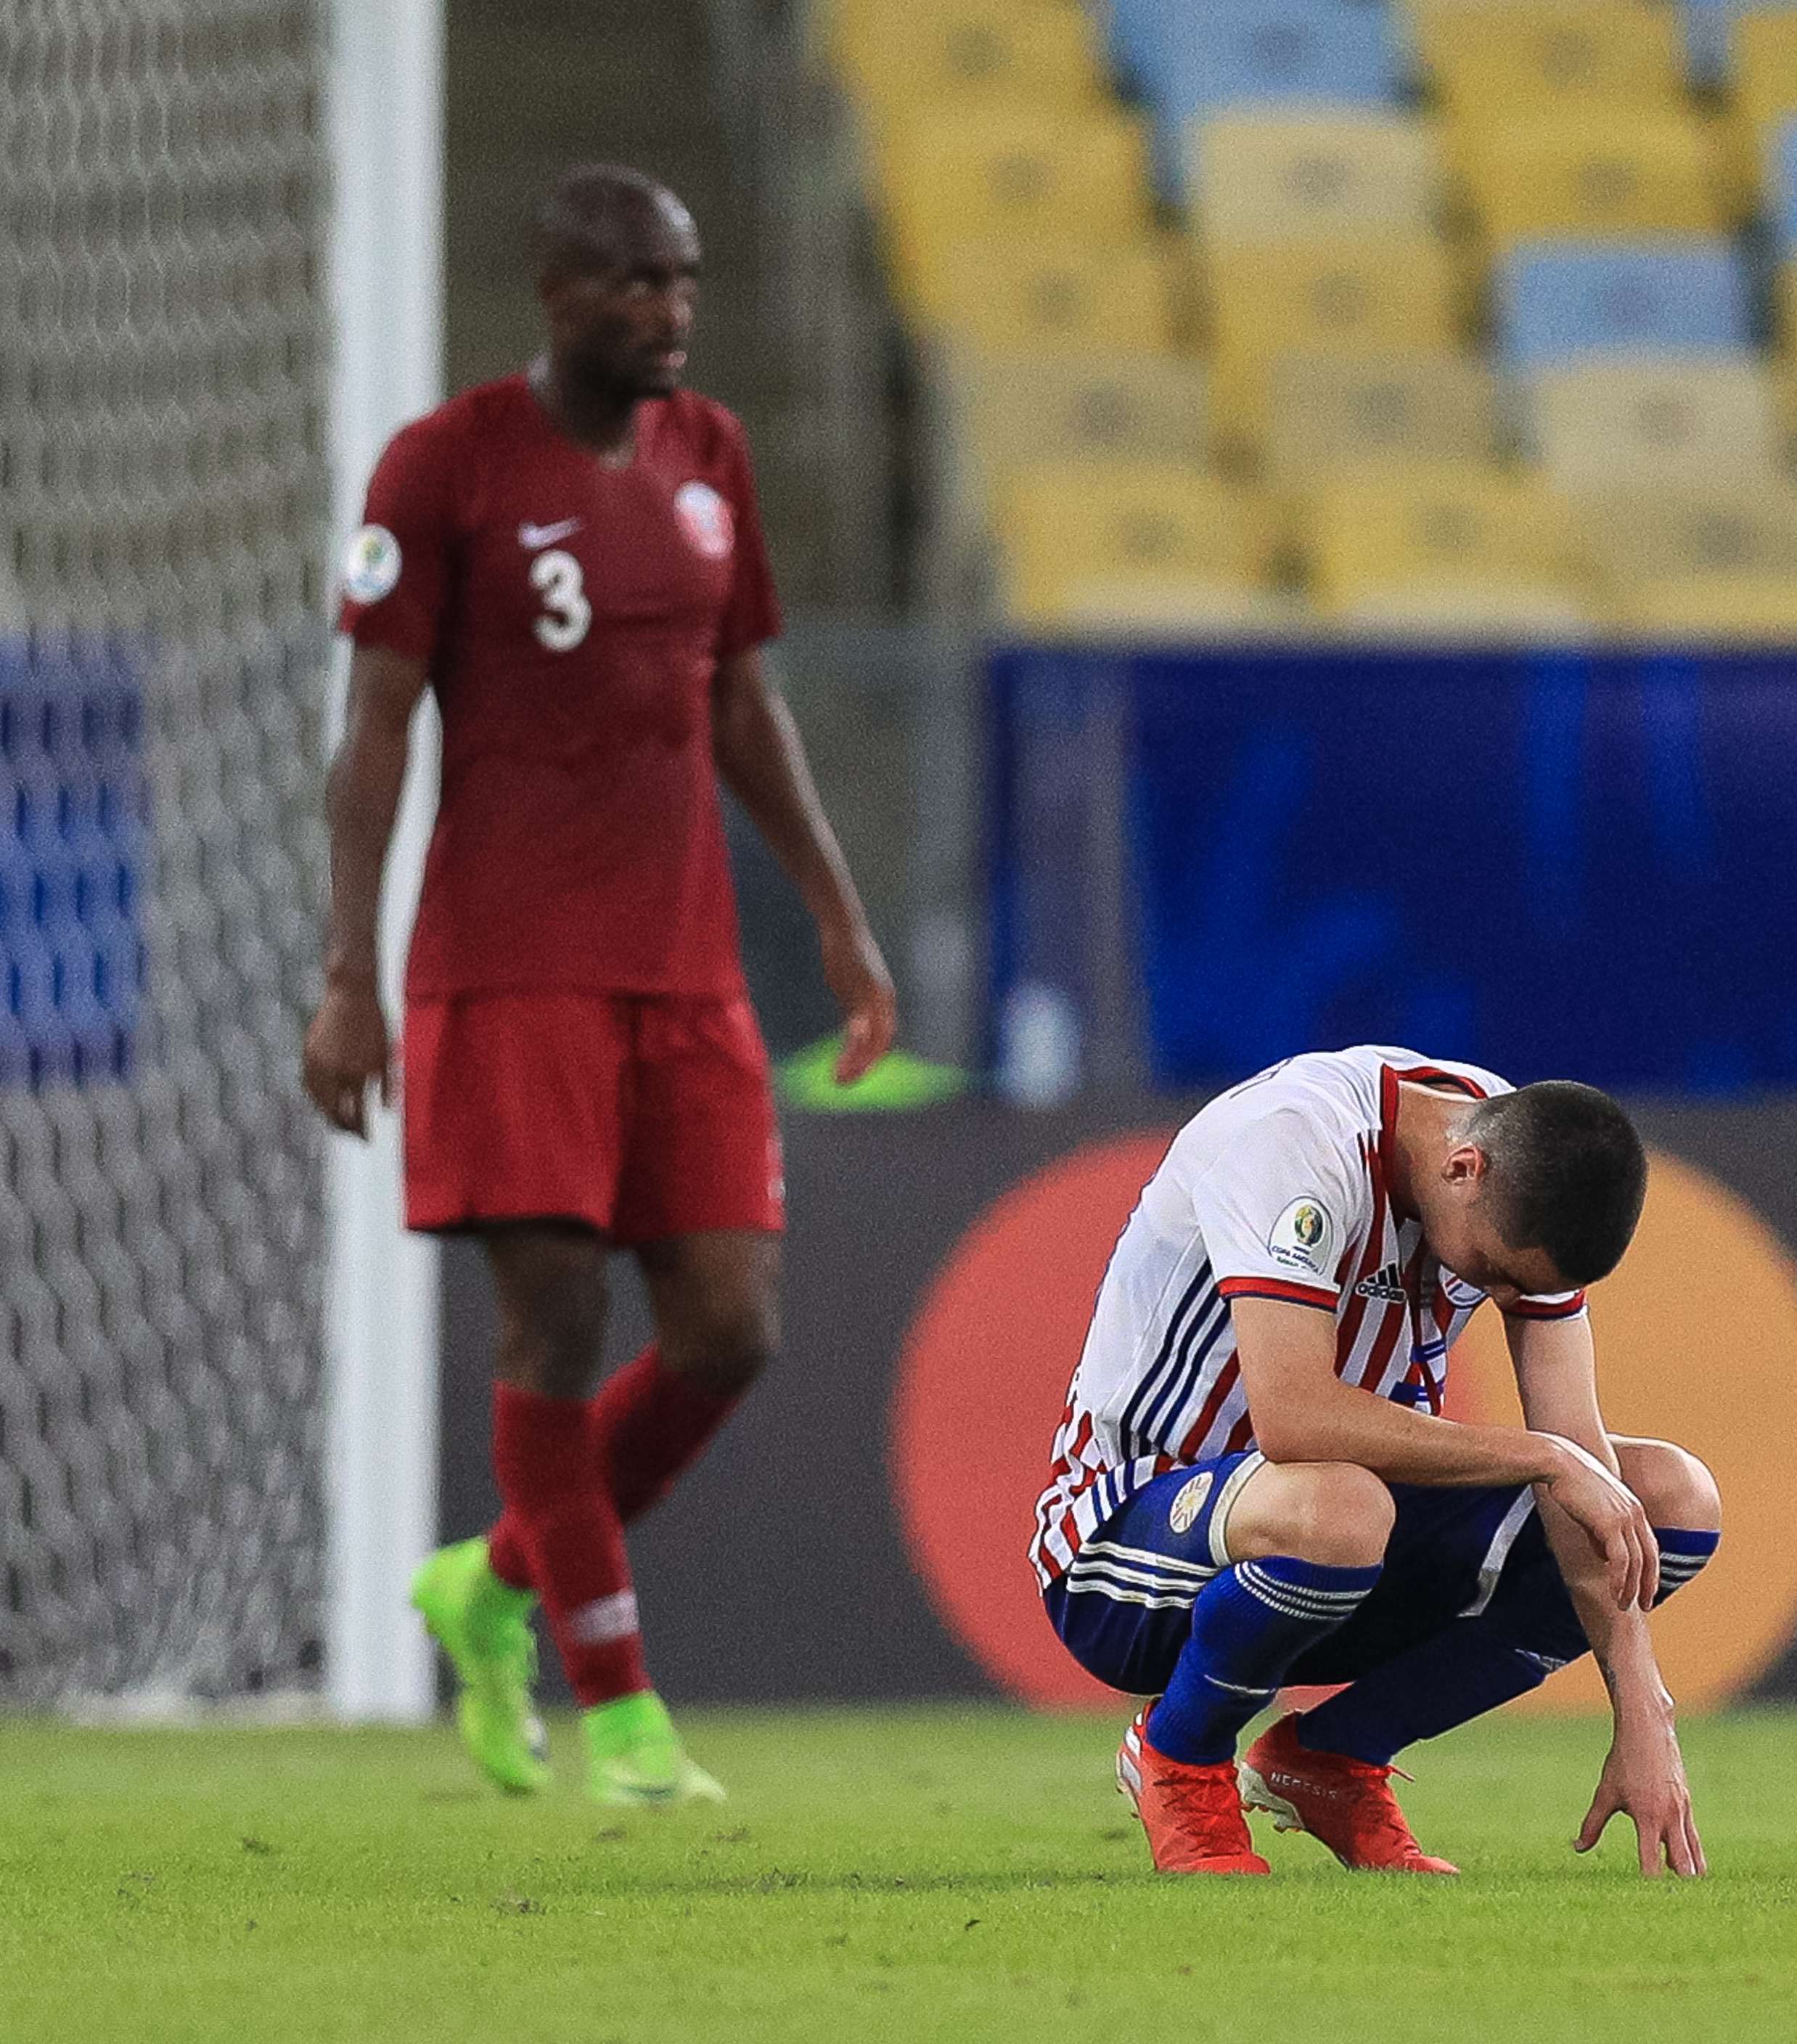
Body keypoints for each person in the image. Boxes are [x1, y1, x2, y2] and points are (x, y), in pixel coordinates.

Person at [306, 165, 896, 1807]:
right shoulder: (447, 465)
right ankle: (619, 1706)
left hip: (686, 968)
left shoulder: (711, 453)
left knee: (728, 1330)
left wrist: (839, 923)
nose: (671, 310)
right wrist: (348, 974)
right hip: (506, 968)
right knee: (552, 1320)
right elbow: (371, 737)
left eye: (686, 280)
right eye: (637, 283)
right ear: (557, 294)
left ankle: (490, 1582)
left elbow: (741, 702)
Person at [1032, 1048, 1720, 1877]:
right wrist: (1546, 1456)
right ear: (1462, 1167)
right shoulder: (1296, 1143)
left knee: (1670, 1502)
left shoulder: (1512, 1156)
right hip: (1127, 1545)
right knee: (1344, 1505)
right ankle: (1178, 1756)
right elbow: (1294, 1418)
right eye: (1495, 1272)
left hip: (1335, 1559)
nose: (1500, 1293)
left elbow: (1580, 1465)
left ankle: (1333, 1759)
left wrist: (1642, 1707)